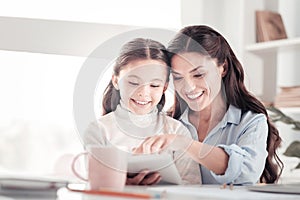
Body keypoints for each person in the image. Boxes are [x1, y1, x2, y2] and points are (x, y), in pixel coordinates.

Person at [133, 25, 283, 185]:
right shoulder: (168, 123)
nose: (189, 87)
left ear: (223, 68)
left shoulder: (250, 121)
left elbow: (247, 172)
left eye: (198, 74)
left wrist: (185, 143)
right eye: (178, 78)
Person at [82, 38, 201, 185]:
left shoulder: (177, 131)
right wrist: (122, 183)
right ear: (116, 80)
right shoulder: (98, 131)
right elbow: (92, 187)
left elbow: (193, 186)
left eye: (154, 85)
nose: (143, 93)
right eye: (133, 82)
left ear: (164, 87)